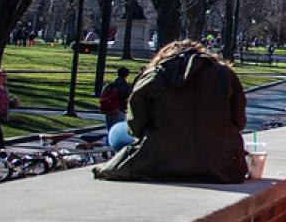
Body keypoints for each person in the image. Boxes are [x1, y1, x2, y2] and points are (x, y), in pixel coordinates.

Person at [93, 40, 247, 183]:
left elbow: (136, 126)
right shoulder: (225, 74)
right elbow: (239, 122)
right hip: (222, 166)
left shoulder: (153, 75)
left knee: (118, 131)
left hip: (160, 162)